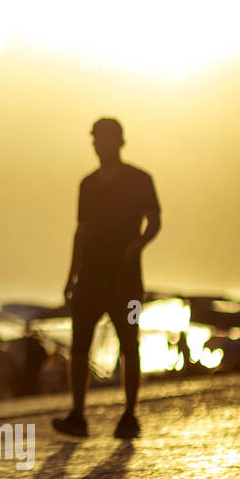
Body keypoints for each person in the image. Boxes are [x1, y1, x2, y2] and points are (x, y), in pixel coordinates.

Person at [54, 118, 161, 439]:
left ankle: (130, 415)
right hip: (90, 278)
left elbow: (155, 221)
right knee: (78, 348)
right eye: (95, 139)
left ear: (119, 142)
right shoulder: (87, 184)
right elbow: (81, 231)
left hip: (126, 279)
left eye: (104, 139)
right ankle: (78, 416)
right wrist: (71, 276)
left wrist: (139, 243)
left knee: (130, 344)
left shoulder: (140, 179)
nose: (98, 145)